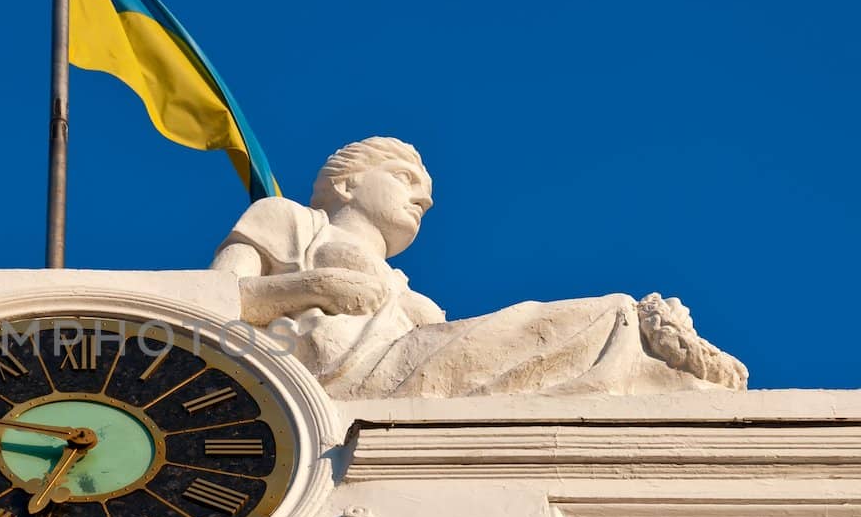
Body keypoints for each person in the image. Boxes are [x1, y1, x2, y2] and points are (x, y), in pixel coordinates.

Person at [212, 136, 747, 397]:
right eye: (405, 178)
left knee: (563, 342)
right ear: (348, 184)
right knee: (601, 316)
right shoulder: (285, 219)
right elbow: (206, 306)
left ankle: (661, 372)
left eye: (427, 191)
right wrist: (313, 285)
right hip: (328, 380)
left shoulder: (405, 291)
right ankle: (647, 348)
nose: (424, 199)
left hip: (407, 377)